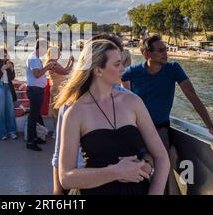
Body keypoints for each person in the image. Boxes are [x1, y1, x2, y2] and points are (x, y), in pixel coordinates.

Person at [57, 39, 170, 195]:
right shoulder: (75, 113)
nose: (123, 69)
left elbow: (162, 157)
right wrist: (116, 172)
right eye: (117, 64)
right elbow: (66, 178)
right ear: (98, 70)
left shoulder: (133, 102)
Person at [121, 35, 213, 149]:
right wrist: (126, 91)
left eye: (165, 49)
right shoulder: (133, 71)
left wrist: (210, 126)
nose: (165, 53)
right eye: (160, 50)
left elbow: (192, 96)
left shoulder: (173, 69)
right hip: (137, 127)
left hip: (161, 127)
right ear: (146, 54)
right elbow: (115, 81)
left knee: (164, 161)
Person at [25, 39, 56, 151]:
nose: (46, 50)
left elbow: (38, 73)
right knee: (33, 116)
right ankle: (30, 142)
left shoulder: (35, 58)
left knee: (36, 115)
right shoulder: (33, 58)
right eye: (46, 48)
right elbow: (37, 74)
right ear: (41, 47)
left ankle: (37, 137)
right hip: (35, 91)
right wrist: (47, 66)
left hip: (37, 90)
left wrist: (46, 67)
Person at [0, 48, 18, 140]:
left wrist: (11, 69)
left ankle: (12, 131)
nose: (5, 57)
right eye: (3, 55)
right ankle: (2, 133)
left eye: (6, 55)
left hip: (8, 87)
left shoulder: (10, 64)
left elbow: (12, 77)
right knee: (0, 111)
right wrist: (2, 69)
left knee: (10, 110)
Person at [44, 45, 74, 133]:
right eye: (58, 52)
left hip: (57, 88)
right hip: (58, 90)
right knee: (59, 111)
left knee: (57, 111)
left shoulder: (52, 62)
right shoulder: (53, 63)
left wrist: (69, 62)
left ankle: (57, 130)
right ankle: (58, 131)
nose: (60, 54)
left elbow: (63, 70)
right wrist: (72, 62)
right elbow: (66, 72)